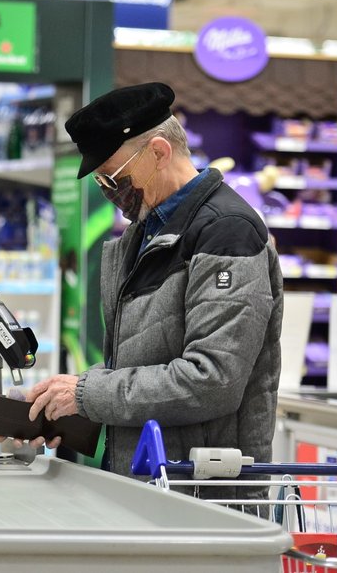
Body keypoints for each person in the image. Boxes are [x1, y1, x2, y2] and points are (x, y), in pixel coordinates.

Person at [22, 82, 283, 501]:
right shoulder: (142, 236)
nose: (110, 192)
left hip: (202, 498)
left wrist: (87, 394)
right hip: (146, 486)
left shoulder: (227, 232)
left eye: (115, 176)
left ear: (160, 152)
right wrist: (65, 414)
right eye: (102, 183)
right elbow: (143, 365)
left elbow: (212, 379)